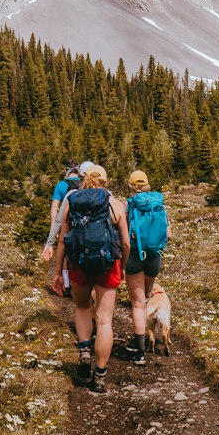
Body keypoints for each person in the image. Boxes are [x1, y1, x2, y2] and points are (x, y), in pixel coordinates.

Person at [50, 165, 130, 394]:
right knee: (104, 320)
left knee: (83, 308)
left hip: (78, 264)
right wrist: (123, 266)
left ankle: (85, 352)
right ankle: (100, 376)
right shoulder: (115, 204)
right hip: (108, 265)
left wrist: (58, 272)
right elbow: (125, 243)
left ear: (84, 180)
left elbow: (63, 241)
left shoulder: (72, 202)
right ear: (105, 182)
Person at [123, 169, 171, 365]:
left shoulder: (127, 204)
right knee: (145, 296)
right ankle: (149, 338)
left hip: (134, 256)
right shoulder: (158, 204)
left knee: (137, 304)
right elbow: (168, 234)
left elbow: (123, 235)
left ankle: (139, 350)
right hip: (154, 258)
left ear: (131, 186)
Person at [41, 160, 93, 293]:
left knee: (66, 253)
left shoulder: (68, 192)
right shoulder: (107, 197)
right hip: (98, 244)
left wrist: (50, 241)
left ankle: (67, 284)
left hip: (75, 234)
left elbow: (56, 213)